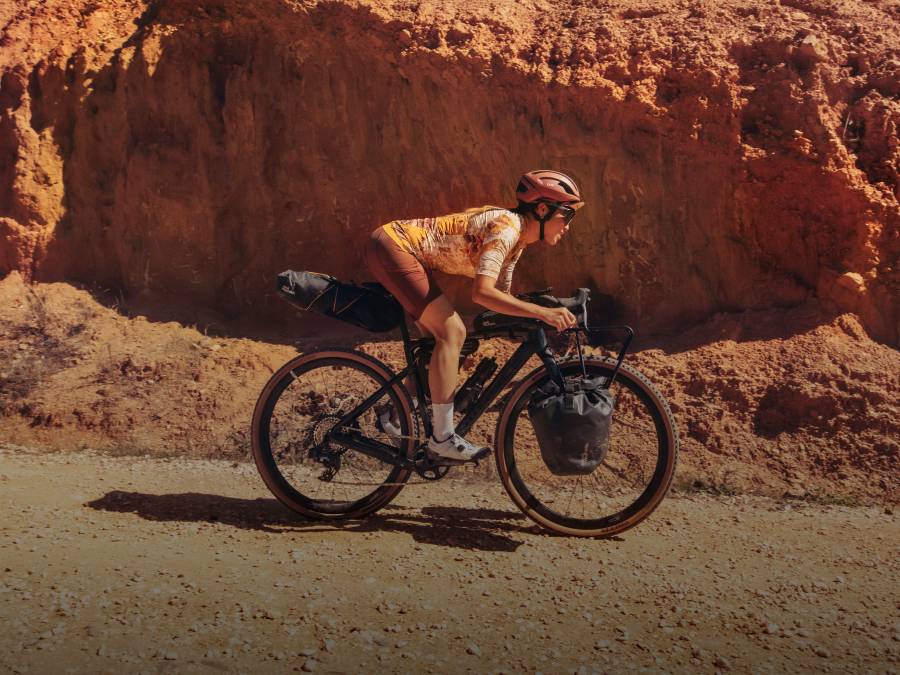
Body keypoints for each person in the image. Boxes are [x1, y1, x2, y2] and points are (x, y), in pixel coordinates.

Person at [362, 170, 583, 461]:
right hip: (393, 246)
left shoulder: (516, 244)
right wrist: (542, 312)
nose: (567, 226)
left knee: (449, 343)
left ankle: (394, 413)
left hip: (403, 252)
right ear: (542, 209)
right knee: (452, 332)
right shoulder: (506, 229)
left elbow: (499, 302)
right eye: (566, 215)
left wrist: (544, 309)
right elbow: (482, 293)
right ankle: (442, 437)